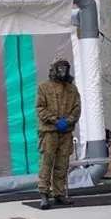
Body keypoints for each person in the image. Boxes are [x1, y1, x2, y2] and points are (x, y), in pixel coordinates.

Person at [35, 56, 81, 210]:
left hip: (66, 132)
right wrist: (55, 120)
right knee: (46, 164)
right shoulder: (43, 87)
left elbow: (77, 108)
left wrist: (68, 121)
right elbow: (40, 108)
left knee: (62, 164)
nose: (63, 71)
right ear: (54, 69)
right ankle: (44, 194)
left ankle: (59, 194)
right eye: (60, 68)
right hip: (49, 132)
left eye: (65, 68)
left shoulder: (72, 89)